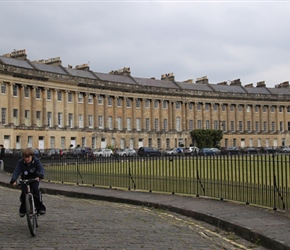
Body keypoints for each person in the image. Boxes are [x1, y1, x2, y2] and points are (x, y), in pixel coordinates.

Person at [10, 148, 46, 217]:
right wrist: (13, 180)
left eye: (28, 157)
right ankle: (22, 210)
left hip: (34, 178)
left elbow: (41, 168)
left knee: (35, 191)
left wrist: (41, 175)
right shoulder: (20, 162)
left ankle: (40, 208)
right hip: (25, 179)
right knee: (24, 193)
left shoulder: (36, 161)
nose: (26, 159)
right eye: (25, 157)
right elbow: (16, 171)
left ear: (32, 156)